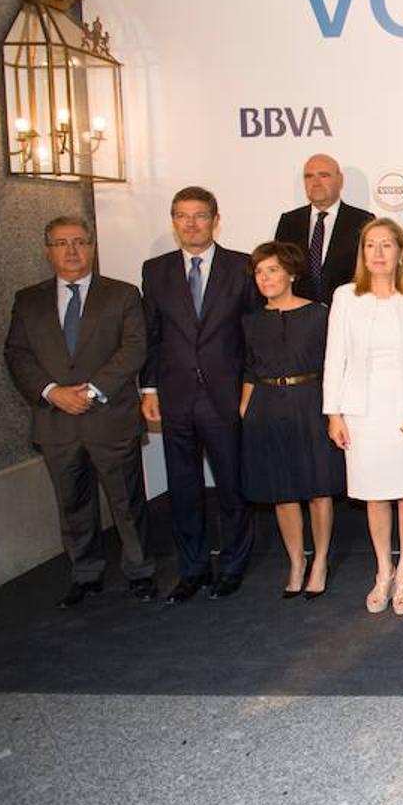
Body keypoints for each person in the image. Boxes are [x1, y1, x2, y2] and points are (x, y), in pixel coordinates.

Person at [4, 216, 156, 607]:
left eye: (79, 242)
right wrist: (53, 392)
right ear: (48, 250)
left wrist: (90, 390)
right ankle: (85, 573)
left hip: (110, 417)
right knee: (72, 504)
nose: (71, 250)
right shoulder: (28, 300)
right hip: (56, 421)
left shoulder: (122, 295)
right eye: (61, 243)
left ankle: (140, 571)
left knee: (127, 501)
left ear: (92, 247)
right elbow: (17, 354)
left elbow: (134, 348)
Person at [142, 186, 261, 603]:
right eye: (182, 216)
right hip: (175, 396)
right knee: (184, 488)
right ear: (173, 221)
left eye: (199, 216)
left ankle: (231, 565)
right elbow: (151, 336)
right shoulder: (155, 271)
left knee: (232, 486)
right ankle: (191, 568)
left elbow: (253, 337)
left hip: (225, 396)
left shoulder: (243, 267)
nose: (191, 224)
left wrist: (249, 390)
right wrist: (149, 387)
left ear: (216, 219)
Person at [324, 219, 403, 615]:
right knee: (375, 497)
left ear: (400, 254)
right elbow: (334, 358)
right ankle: (383, 570)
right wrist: (334, 413)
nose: (377, 253)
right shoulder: (345, 297)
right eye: (370, 246)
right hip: (362, 411)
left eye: (386, 246)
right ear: (362, 254)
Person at [239, 241, 346, 599]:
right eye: (259, 272)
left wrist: (336, 412)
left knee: (318, 489)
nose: (264, 278)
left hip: (310, 402)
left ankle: (320, 561)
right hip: (265, 406)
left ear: (291, 273)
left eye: (272, 270)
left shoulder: (319, 314)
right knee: (282, 492)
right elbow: (249, 370)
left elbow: (335, 365)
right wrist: (246, 411)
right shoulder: (250, 321)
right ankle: (297, 561)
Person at [275, 154, 374, 305]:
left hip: (348, 312)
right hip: (300, 316)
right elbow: (281, 271)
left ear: (340, 180)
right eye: (309, 176)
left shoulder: (362, 221)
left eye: (324, 175)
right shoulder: (289, 222)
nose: (315, 182)